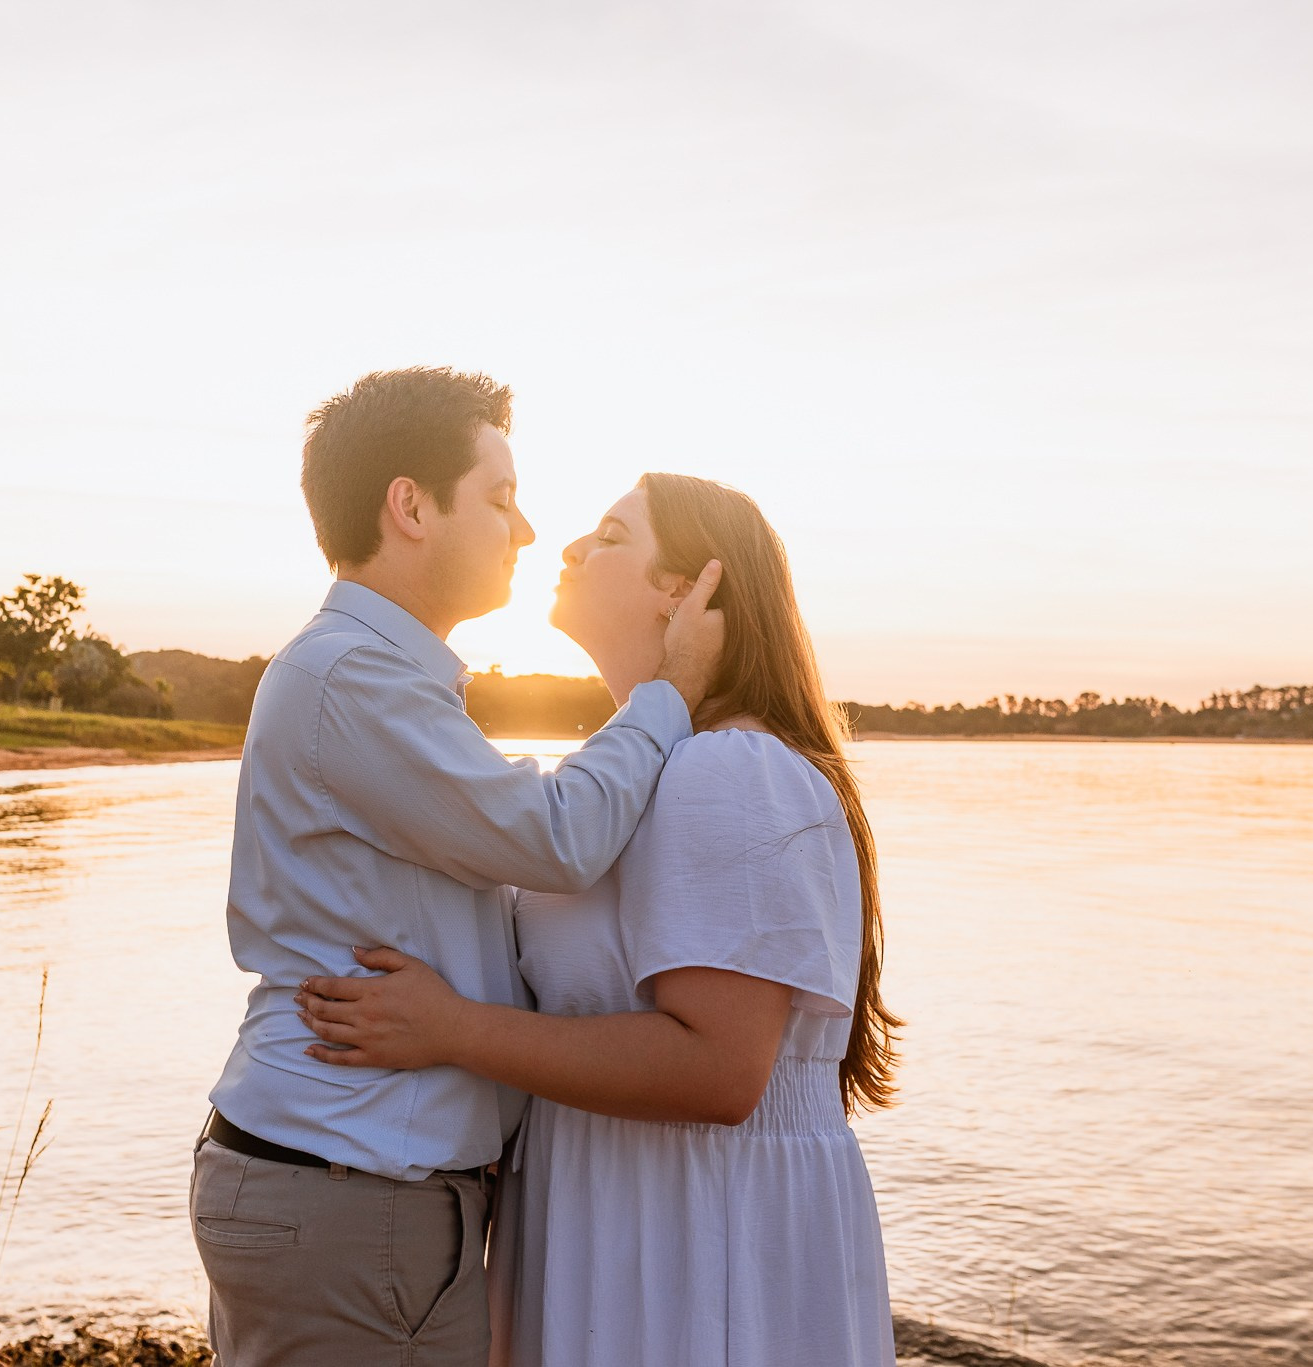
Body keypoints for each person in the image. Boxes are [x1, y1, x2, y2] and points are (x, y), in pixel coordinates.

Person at [296, 472, 902, 1367]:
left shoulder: (728, 771)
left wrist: (455, 1030)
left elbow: (721, 1070)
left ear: (687, 589)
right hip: (624, 1214)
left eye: (610, 534)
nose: (571, 547)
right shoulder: (647, 767)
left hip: (689, 1238)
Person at [192, 369, 726, 1367]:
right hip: (348, 1191)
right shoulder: (350, 677)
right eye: (498, 497)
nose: (523, 530)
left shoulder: (374, 676)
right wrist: (665, 691)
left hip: (338, 1183)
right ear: (409, 507)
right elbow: (554, 836)